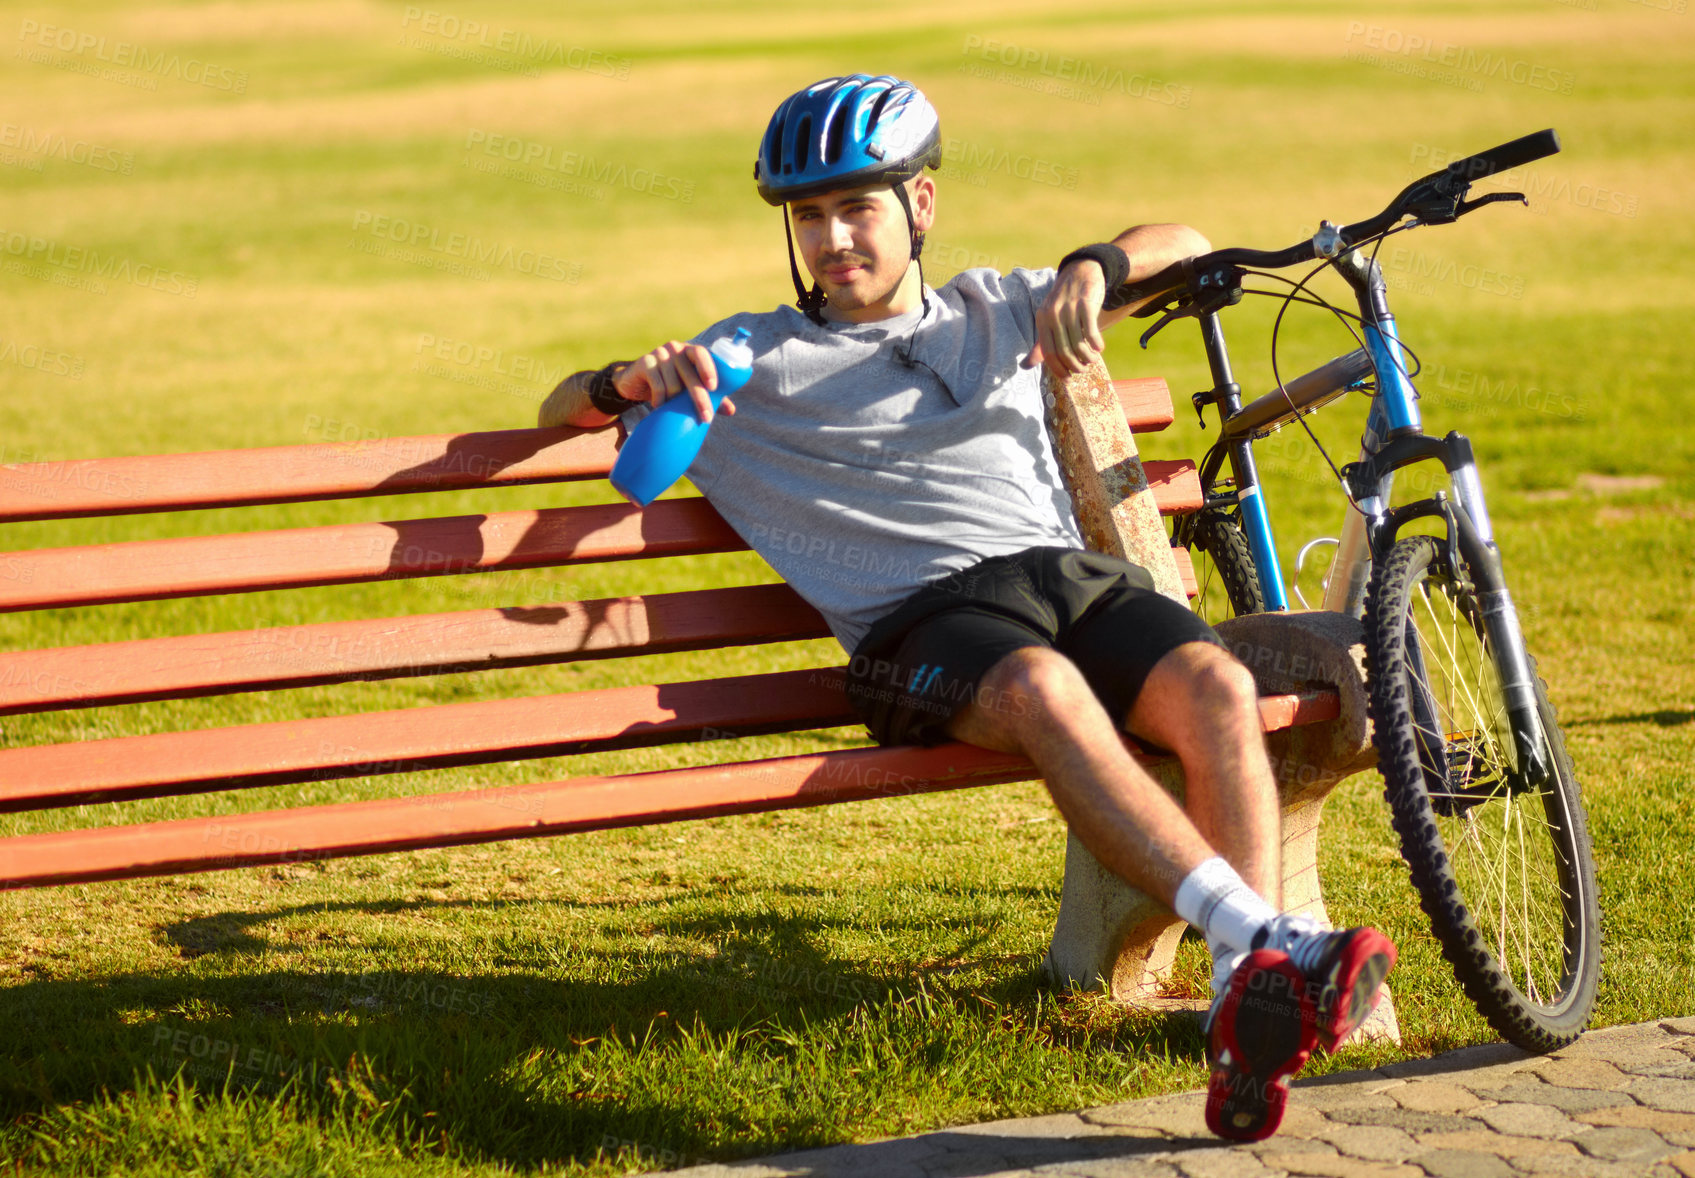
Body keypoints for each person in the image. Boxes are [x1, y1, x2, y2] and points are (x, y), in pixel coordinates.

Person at [539, 74, 1395, 1141]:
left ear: (922, 207)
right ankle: (1276, 943)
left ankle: (1240, 995)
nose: (832, 236)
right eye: (809, 215)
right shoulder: (749, 359)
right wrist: (629, 379)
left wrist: (1093, 267)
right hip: (925, 626)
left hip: (1068, 579)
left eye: (858, 207)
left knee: (1218, 681)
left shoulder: (999, 308)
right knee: (1041, 689)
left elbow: (1184, 239)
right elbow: (563, 412)